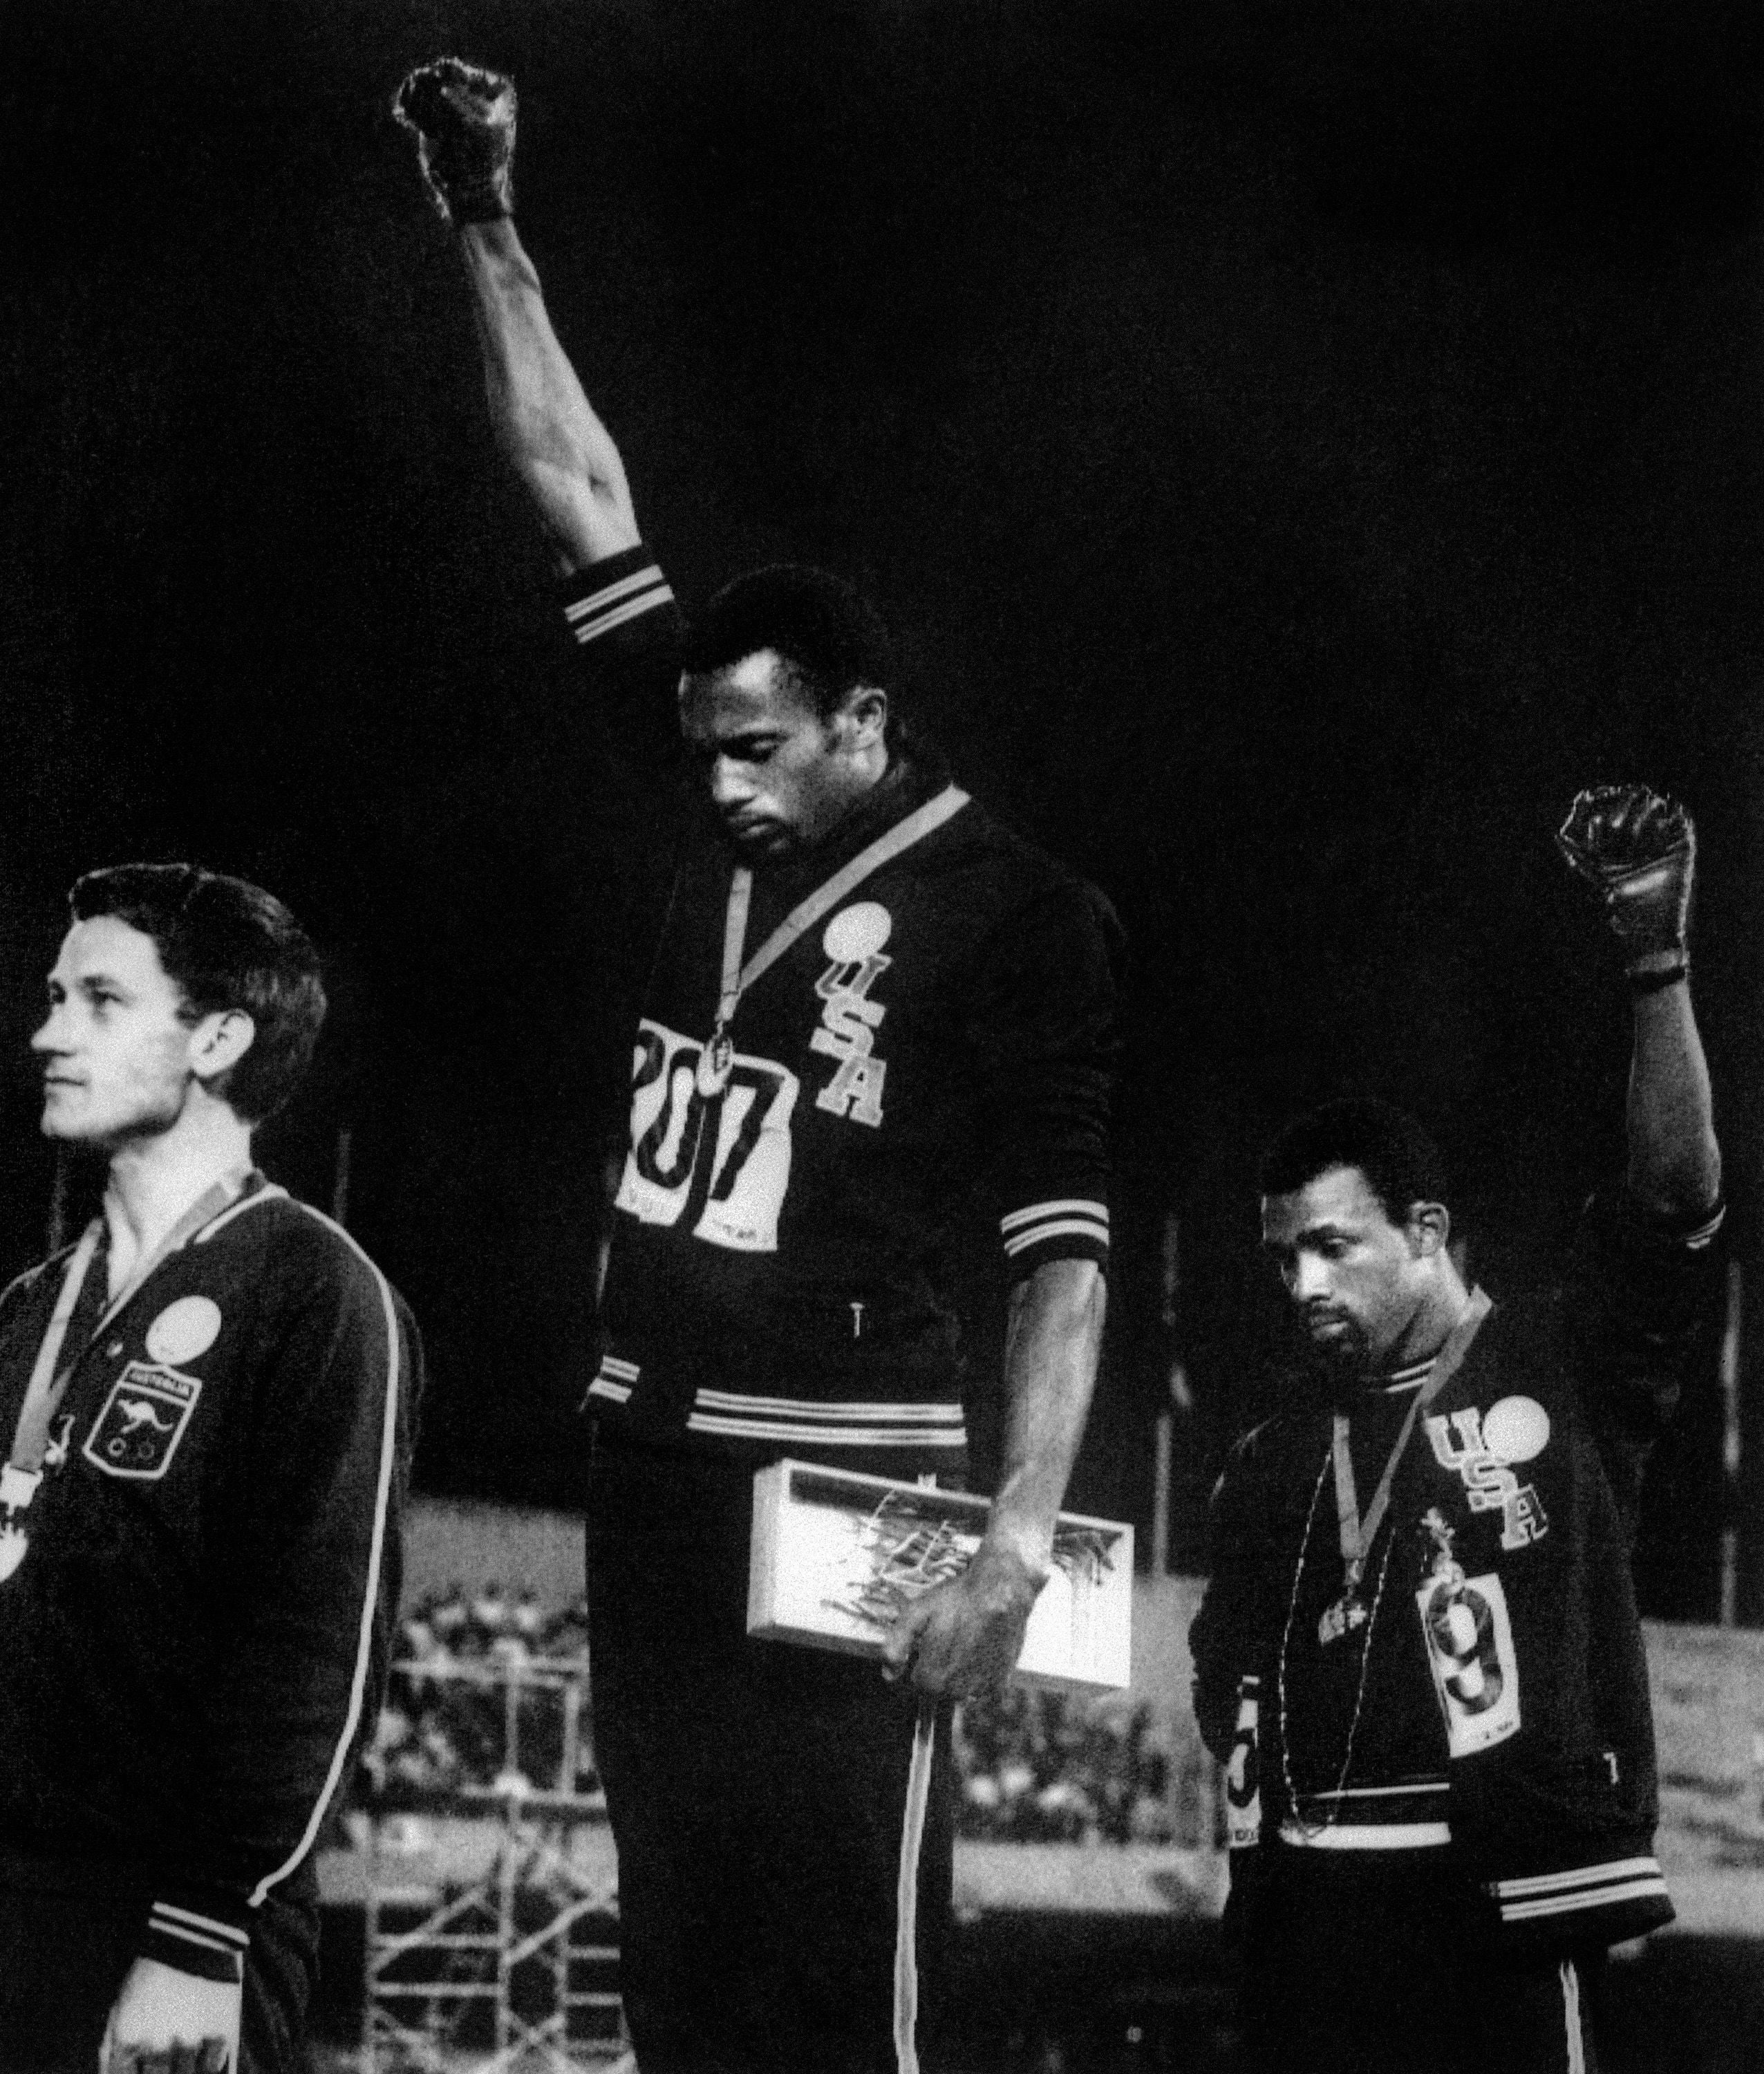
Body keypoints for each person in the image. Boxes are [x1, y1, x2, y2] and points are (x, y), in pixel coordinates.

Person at [394, 58, 1122, 2074]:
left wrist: (1017, 1538)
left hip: (851, 1480)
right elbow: (575, 493)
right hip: (649, 1468)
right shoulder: (695, 780)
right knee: (681, 1962)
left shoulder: (1019, 913)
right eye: (700, 742)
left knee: (854, 1974)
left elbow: (1063, 1257)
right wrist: (482, 214)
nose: (709, 780)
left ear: (866, 722)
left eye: (758, 749)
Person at [1190, 785, 1723, 2074]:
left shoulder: (1559, 1360)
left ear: (1425, 1231)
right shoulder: (1270, 1460)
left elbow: (1673, 1198)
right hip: (1308, 1916)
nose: (1303, 1286)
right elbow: (1223, 1691)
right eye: (1281, 1262)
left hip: (1496, 1910)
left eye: (1332, 1246)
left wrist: (1654, 960)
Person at [0, 864, 420, 2074]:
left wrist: (199, 1933)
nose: (48, 1034)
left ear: (219, 1038)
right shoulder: (30, 1308)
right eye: (52, 996)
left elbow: (314, 1653)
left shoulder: (319, 1295)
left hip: (172, 1923)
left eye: (98, 1001)